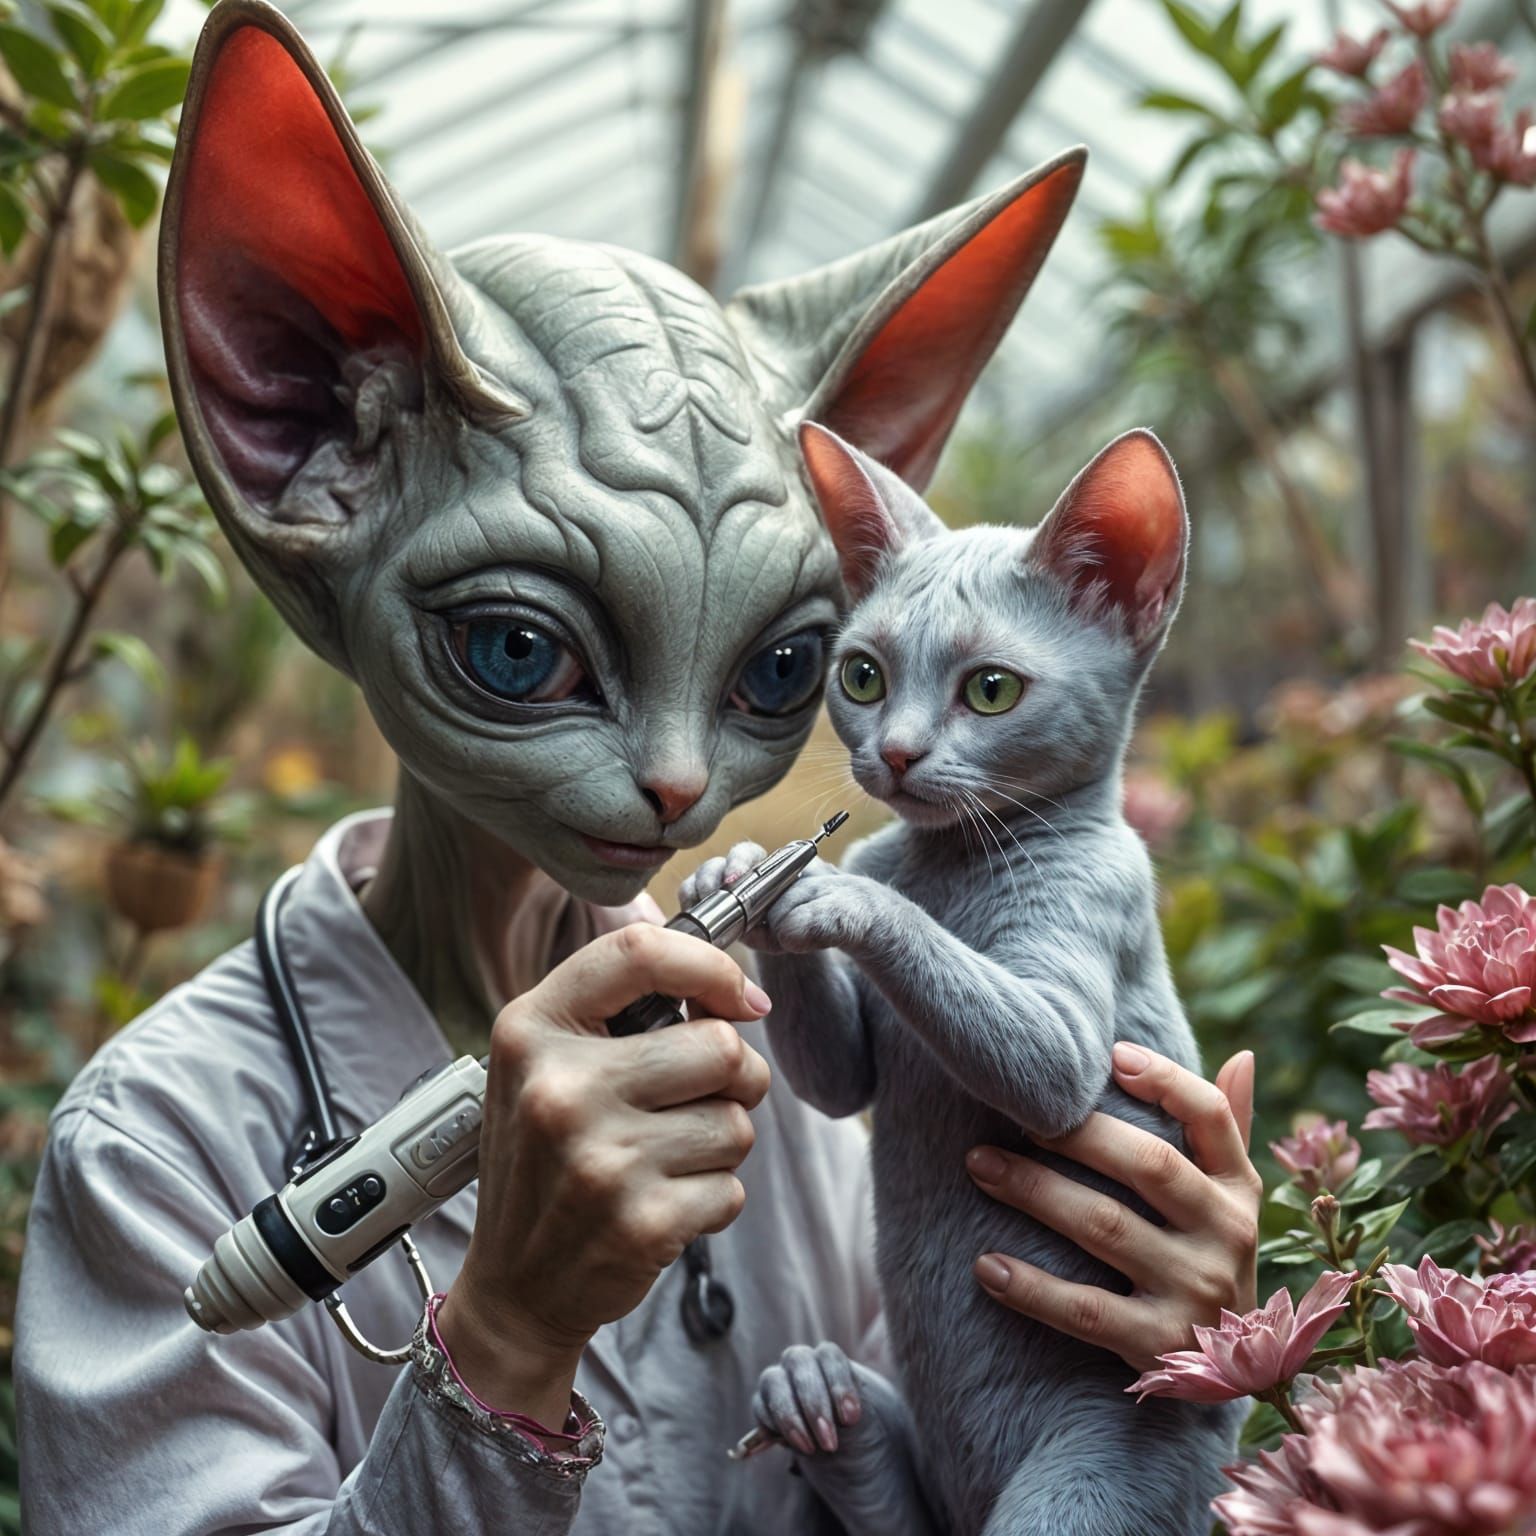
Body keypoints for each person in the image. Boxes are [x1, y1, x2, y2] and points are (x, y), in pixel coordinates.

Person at [15, 5, 1263, 1532]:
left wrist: (1169, 1341)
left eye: (772, 672)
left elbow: (937, 1456)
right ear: (297, 425)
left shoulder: (776, 1045)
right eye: (523, 645)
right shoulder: (166, 1147)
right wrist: (511, 1335)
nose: (678, 778)